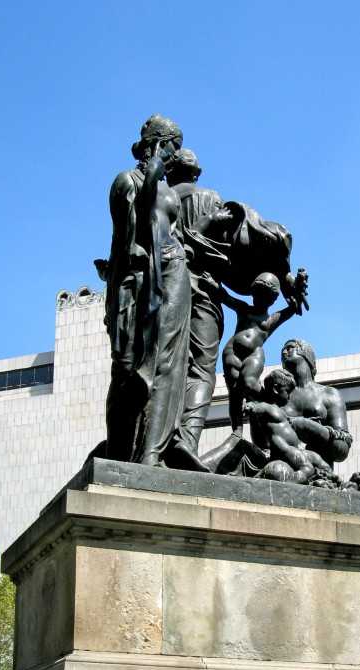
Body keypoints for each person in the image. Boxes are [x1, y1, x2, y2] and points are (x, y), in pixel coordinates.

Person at [103, 114, 191, 466]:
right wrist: (153, 172)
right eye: (171, 147)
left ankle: (151, 452)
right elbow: (129, 241)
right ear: (156, 144)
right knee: (129, 369)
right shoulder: (128, 181)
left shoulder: (171, 192)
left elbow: (184, 237)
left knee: (168, 362)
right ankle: (118, 452)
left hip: (175, 274)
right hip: (141, 281)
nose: (175, 156)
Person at [165, 149, 231, 470]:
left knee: (169, 365)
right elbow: (231, 250)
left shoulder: (158, 198)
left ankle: (160, 440)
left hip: (166, 292)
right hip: (204, 290)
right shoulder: (211, 198)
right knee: (202, 368)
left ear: (169, 173)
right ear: (196, 173)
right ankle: (186, 441)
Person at [201, 271, 296, 435]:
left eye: (264, 296)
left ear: (272, 300)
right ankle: (237, 430)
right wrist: (212, 283)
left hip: (254, 354)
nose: (258, 298)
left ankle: (269, 399)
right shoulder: (244, 309)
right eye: (256, 294)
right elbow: (227, 298)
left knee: (249, 383)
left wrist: (296, 291)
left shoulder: (271, 319)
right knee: (235, 394)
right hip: (233, 353)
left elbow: (292, 310)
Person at [244, 369, 329, 483]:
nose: (289, 397)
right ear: (275, 389)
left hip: (293, 449)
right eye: (288, 392)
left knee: (318, 459)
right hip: (284, 449)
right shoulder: (268, 407)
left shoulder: (279, 411)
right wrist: (251, 407)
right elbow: (258, 407)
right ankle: (289, 485)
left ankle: (329, 476)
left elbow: (287, 422)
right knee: (308, 468)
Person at [279, 339, 352, 468]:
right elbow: (263, 442)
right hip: (282, 465)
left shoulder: (329, 394)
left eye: (290, 348)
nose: (284, 352)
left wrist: (309, 426)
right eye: (282, 351)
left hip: (318, 469)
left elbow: (342, 449)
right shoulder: (276, 395)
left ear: (305, 353)